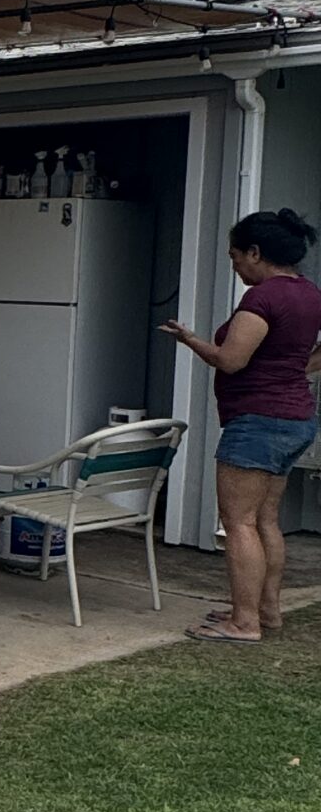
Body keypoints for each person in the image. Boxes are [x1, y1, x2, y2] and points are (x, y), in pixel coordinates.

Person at [161, 205, 321, 643]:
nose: (234, 266)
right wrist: (291, 371)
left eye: (235, 257)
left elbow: (231, 360)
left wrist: (189, 339)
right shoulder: (309, 293)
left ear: (255, 252)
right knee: (266, 519)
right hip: (295, 418)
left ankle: (244, 622)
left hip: (258, 422)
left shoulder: (262, 298)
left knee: (239, 523)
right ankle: (265, 612)